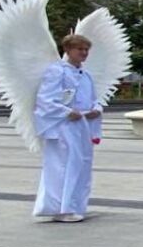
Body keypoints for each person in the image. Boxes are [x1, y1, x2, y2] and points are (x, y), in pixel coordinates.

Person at [33, 34, 104, 222]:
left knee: (81, 165)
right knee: (63, 166)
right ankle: (61, 208)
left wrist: (96, 109)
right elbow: (45, 99)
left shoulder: (85, 74)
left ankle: (75, 205)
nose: (84, 53)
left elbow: (93, 98)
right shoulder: (57, 71)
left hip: (82, 126)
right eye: (79, 49)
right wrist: (65, 112)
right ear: (68, 50)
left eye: (86, 49)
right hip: (63, 127)